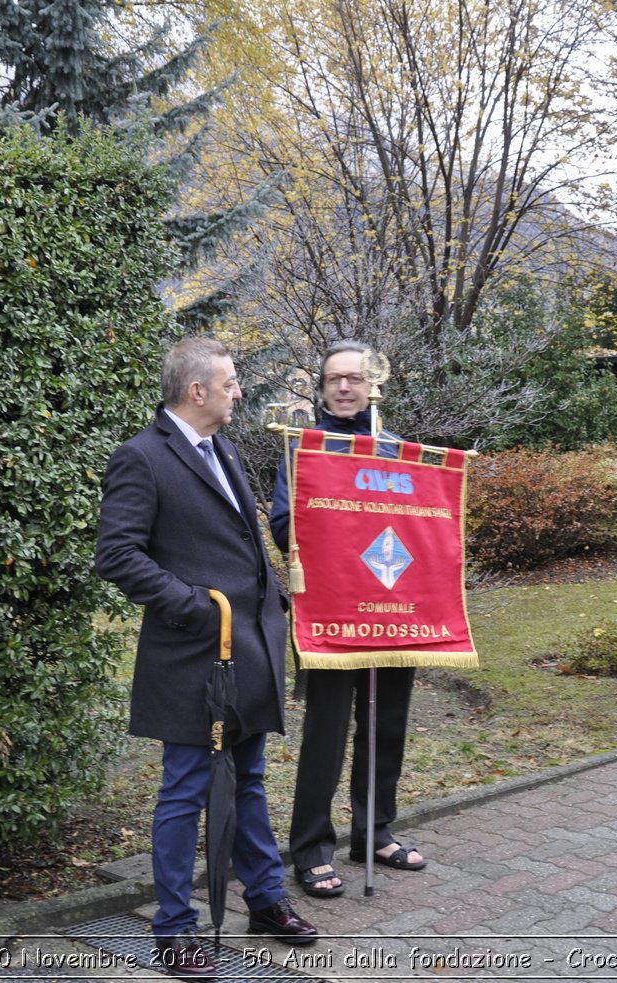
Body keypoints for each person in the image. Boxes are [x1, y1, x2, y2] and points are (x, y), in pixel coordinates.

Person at [95, 337, 317, 978]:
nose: (239, 391)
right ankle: (173, 930)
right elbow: (118, 556)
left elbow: (242, 538)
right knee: (185, 790)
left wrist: (272, 597)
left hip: (248, 650)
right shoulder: (141, 457)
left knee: (248, 779)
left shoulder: (220, 447)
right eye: (231, 382)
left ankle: (267, 900)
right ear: (198, 391)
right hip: (193, 654)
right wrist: (197, 606)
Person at [269, 340, 425, 898]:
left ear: (372, 385)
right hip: (334, 613)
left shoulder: (398, 450)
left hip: (392, 609)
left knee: (386, 727)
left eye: (353, 379)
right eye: (333, 379)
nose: (342, 388)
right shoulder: (305, 449)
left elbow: (423, 521)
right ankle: (311, 847)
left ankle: (375, 830)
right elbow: (284, 523)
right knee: (327, 732)